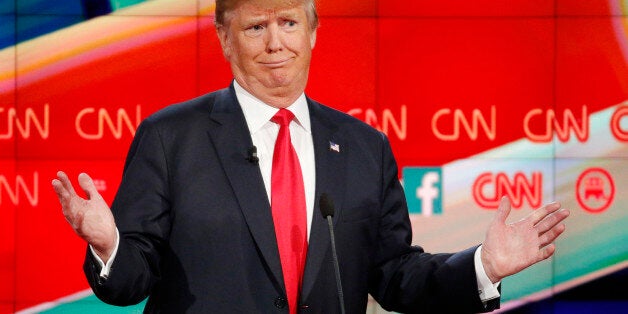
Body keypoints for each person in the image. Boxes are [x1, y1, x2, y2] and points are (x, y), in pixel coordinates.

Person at [51, 0, 570, 313]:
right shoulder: (170, 138)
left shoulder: (365, 147)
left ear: (314, 32)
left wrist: (483, 267)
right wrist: (109, 245)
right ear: (224, 39)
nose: (276, 42)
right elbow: (129, 282)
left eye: (289, 22)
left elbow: (393, 276)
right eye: (256, 27)